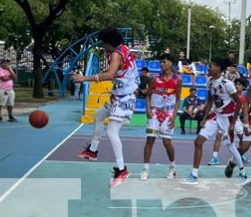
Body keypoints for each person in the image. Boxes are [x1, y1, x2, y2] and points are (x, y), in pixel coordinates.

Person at [74, 28, 139, 188]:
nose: (103, 46)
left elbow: (110, 75)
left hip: (124, 99)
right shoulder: (123, 49)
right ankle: (93, 151)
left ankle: (122, 170)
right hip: (118, 95)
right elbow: (114, 72)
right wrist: (100, 74)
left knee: (111, 132)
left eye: (104, 44)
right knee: (98, 115)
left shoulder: (116, 54)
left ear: (109, 43)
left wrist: (85, 78)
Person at [184, 57, 246, 185]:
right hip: (215, 116)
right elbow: (210, 101)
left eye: (211, 66)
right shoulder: (210, 82)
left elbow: (238, 103)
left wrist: (233, 122)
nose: (208, 68)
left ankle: (242, 172)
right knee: (198, 141)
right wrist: (205, 118)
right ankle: (194, 174)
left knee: (231, 147)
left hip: (227, 118)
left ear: (218, 68)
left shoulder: (227, 84)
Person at [141, 53, 182, 181]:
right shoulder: (154, 78)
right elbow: (147, 95)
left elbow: (178, 99)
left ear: (170, 63)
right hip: (154, 112)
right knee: (150, 140)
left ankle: (172, 167)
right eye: (160, 62)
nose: (161, 64)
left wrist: (174, 116)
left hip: (168, 113)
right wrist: (148, 109)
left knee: (167, 142)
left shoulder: (178, 79)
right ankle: (145, 169)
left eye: (164, 61)